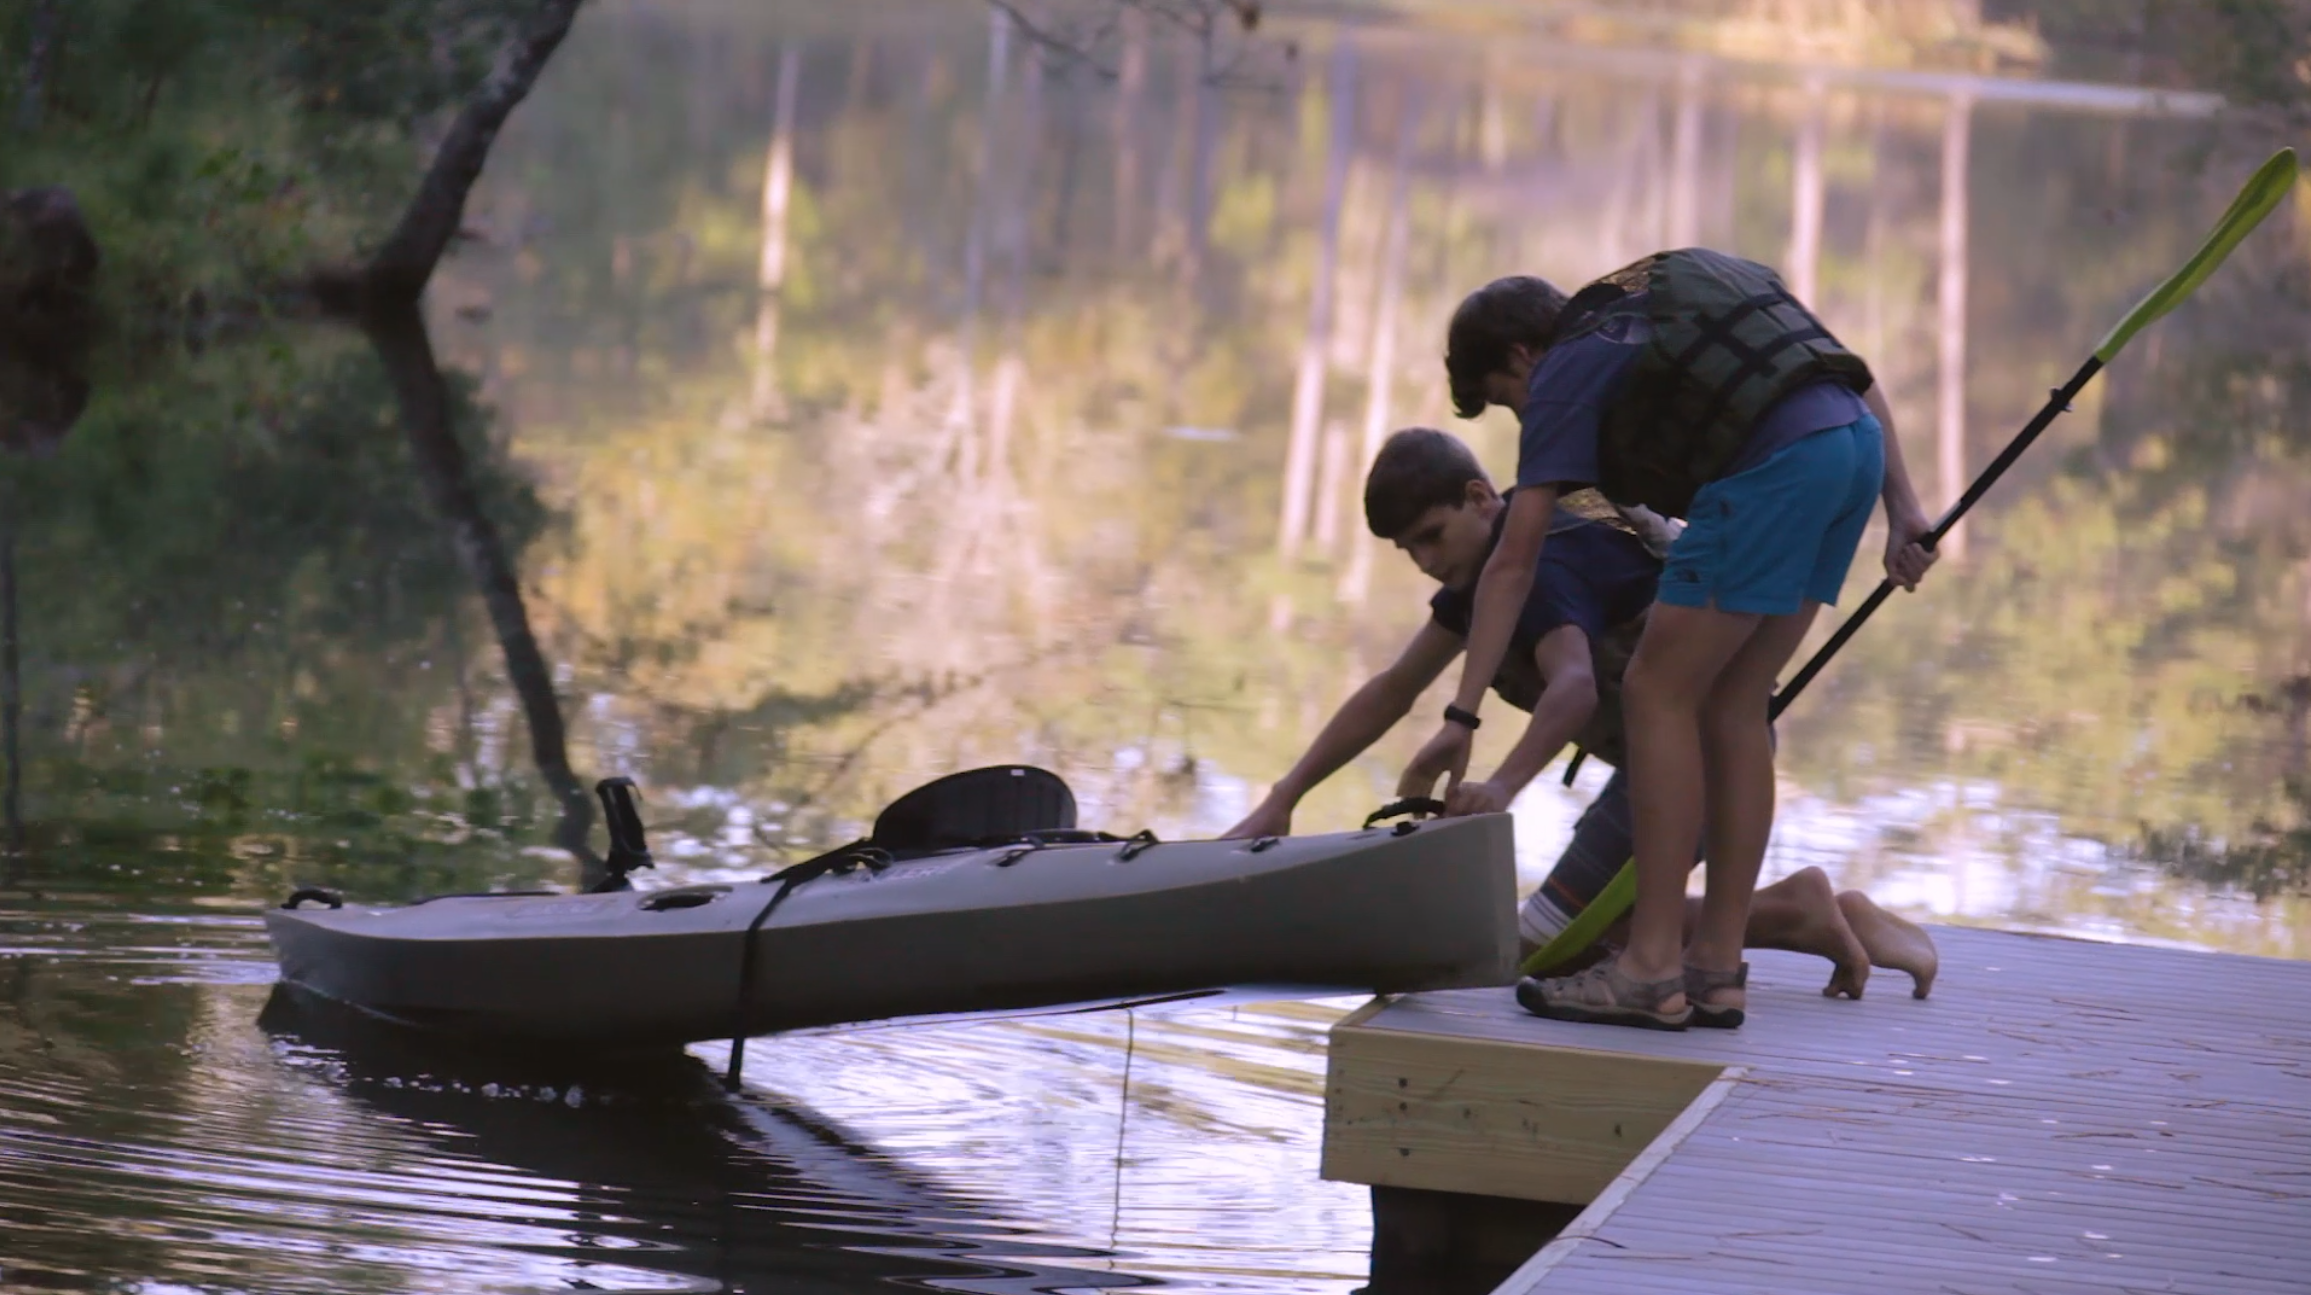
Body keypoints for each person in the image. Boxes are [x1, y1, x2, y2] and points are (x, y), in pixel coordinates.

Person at [1404, 253, 1939, 1031]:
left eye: (1503, 397)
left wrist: (1460, 718)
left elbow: (1511, 561)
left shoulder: (1562, 370)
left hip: (1772, 471)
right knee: (1733, 704)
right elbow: (1844, 372)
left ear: (1522, 356)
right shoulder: (1679, 289)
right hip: (1849, 453)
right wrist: (1905, 507)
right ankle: (1715, 967)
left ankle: (1649, 968)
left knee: (1658, 691)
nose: (1523, 416)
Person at [1223, 428, 1937, 1005]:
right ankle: (1795, 909)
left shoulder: (1537, 563)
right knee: (1603, 929)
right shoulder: (1489, 571)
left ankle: (1797, 913)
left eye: (1430, 536)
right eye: (1405, 548)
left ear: (1479, 498)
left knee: (1533, 948)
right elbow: (1391, 688)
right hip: (1665, 766)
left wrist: (1499, 788)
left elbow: (1573, 690)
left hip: (1698, 760)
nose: (1420, 559)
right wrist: (1283, 798)